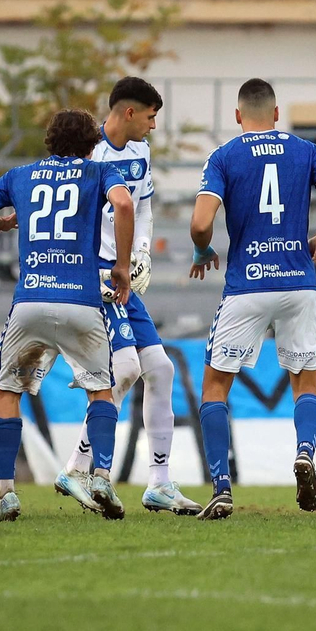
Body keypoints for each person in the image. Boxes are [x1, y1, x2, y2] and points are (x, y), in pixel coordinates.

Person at [0, 109, 136, 522]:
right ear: (92, 143)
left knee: (8, 393)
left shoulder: (20, 175)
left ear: (49, 141)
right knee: (100, 391)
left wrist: (3, 226)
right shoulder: (96, 173)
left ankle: (6, 493)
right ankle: (102, 477)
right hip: (81, 300)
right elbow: (124, 203)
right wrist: (122, 267)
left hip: (31, 301)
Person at [189, 79, 316, 519]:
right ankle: (303, 452)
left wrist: (204, 249)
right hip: (298, 282)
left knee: (215, 386)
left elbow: (201, 224)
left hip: (247, 285)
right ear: (276, 114)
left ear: (238, 116)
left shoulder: (224, 157)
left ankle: (221, 486)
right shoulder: (305, 150)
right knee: (306, 381)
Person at [52, 78, 199, 515]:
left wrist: (140, 253)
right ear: (129, 113)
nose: (155, 126)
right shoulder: (88, 154)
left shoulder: (140, 151)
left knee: (161, 369)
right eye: (152, 116)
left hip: (122, 279)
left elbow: (144, 206)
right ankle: (78, 468)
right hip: (91, 277)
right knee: (127, 368)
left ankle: (159, 482)